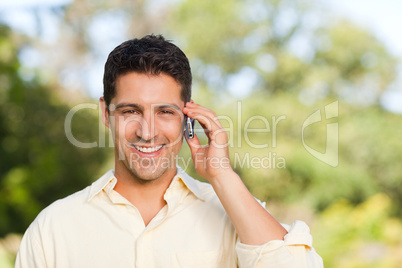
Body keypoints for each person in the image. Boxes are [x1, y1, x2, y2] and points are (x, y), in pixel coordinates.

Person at [16, 35, 323, 268]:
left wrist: (222, 176)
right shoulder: (54, 227)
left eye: (164, 111)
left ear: (187, 117)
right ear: (105, 113)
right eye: (130, 111)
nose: (147, 132)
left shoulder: (232, 214)